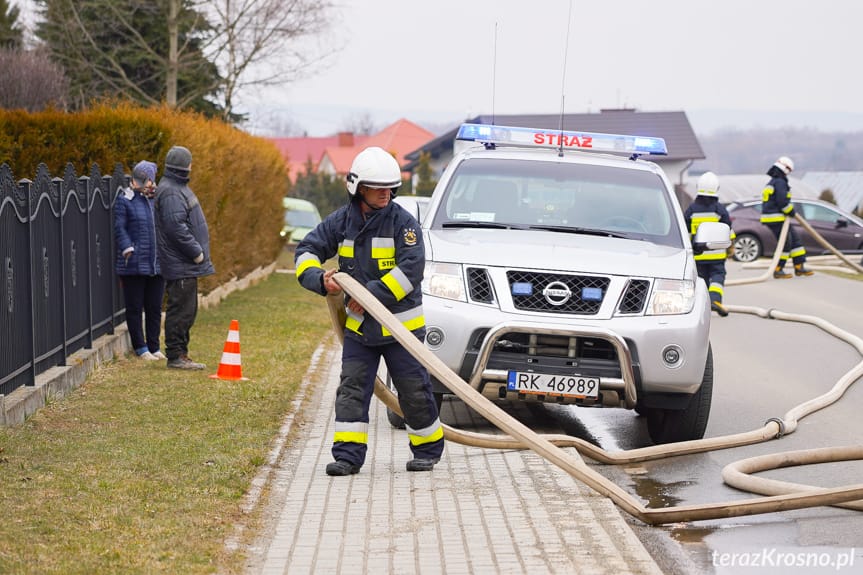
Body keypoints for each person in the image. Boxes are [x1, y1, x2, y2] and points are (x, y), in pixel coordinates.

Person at [294, 146, 444, 476]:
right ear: (359, 188)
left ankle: (427, 449)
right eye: (378, 188)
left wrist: (368, 294)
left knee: (414, 390)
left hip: (400, 329)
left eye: (390, 188)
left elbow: (411, 270)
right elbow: (306, 250)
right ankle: (347, 456)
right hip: (361, 329)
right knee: (351, 388)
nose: (386, 194)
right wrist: (320, 279)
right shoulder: (341, 222)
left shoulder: (403, 224)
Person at [154, 145, 215, 370]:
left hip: (184, 263)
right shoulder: (171, 190)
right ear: (185, 165)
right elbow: (175, 227)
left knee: (187, 310)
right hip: (181, 262)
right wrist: (196, 252)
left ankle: (181, 353)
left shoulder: (175, 186)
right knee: (181, 310)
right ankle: (176, 355)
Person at [114, 160, 167, 359]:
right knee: (135, 307)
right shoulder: (125, 199)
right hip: (133, 264)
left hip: (156, 263)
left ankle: (154, 346)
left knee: (154, 307)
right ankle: (140, 347)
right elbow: (120, 227)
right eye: (140, 180)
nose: (143, 184)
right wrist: (128, 248)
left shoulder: (157, 200)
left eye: (147, 180)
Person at [684, 171, 735, 317]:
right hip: (717, 253)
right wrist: (731, 247)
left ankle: (703, 307)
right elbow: (728, 230)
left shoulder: (691, 210)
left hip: (699, 254)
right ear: (716, 188)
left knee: (702, 280)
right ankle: (715, 300)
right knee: (718, 275)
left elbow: (685, 231)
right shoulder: (719, 209)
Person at [760, 156, 813, 278]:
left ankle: (799, 267)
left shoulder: (773, 181)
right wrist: (792, 213)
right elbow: (782, 202)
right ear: (786, 169)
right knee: (785, 244)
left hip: (775, 218)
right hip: (776, 218)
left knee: (795, 240)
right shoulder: (780, 182)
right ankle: (778, 269)